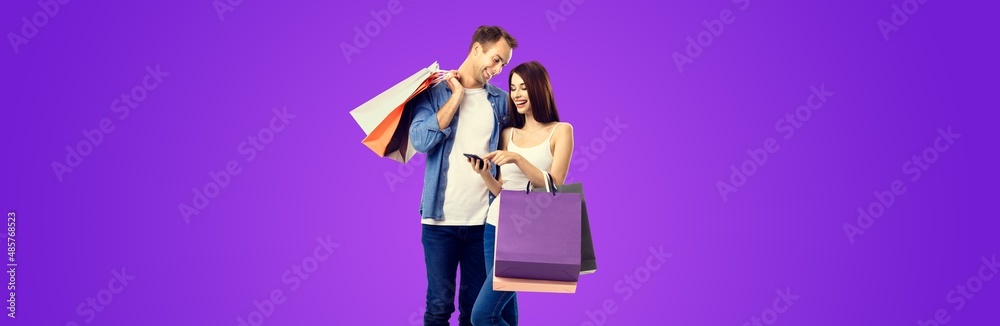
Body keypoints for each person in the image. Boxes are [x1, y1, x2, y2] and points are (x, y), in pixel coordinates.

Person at [408, 25, 518, 326]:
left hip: (483, 223)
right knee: (438, 307)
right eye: (495, 59)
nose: (497, 69)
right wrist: (456, 96)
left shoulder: (500, 101)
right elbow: (420, 141)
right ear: (476, 49)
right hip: (439, 223)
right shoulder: (433, 92)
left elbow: (518, 145)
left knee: (474, 311)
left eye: (503, 65)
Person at [470, 61, 574, 326]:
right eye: (513, 87)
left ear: (539, 89)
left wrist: (518, 159)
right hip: (494, 225)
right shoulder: (508, 133)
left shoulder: (561, 131)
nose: (516, 94)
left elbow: (554, 184)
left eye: (523, 88)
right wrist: (484, 173)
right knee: (503, 314)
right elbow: (502, 190)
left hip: (528, 228)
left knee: (481, 316)